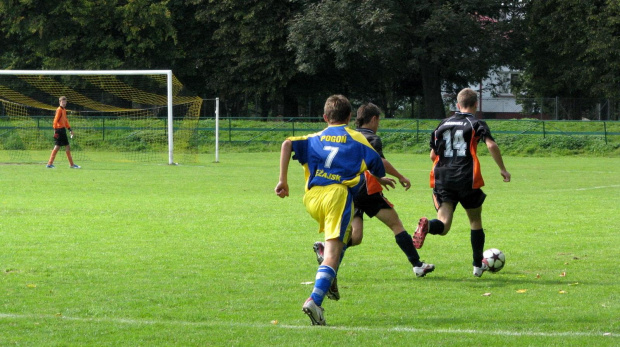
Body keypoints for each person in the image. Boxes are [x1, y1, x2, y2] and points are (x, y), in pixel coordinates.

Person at [275, 95, 395, 326]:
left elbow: (286, 144)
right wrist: (382, 177)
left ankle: (326, 259)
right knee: (334, 252)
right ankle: (315, 301)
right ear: (349, 117)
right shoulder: (357, 137)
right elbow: (375, 161)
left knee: (347, 237)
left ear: (324, 117)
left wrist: (283, 181)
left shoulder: (314, 137)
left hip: (312, 198)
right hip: (337, 196)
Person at [313, 102, 434, 279]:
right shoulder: (372, 138)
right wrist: (401, 177)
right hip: (366, 190)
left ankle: (326, 251)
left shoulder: (348, 135)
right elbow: (380, 162)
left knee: (356, 235)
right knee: (396, 224)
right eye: (379, 121)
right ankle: (418, 265)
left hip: (345, 190)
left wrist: (380, 178)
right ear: (374, 119)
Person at [413, 88, 510, 277]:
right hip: (467, 178)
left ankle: (428, 226)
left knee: (444, 225)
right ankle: (476, 266)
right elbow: (491, 145)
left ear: (457, 105)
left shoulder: (443, 124)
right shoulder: (476, 123)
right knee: (475, 220)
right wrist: (503, 169)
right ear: (476, 104)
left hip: (443, 178)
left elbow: (433, 154)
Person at [47, 96, 80, 169]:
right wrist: (55, 130)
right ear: (60, 102)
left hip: (62, 130)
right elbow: (55, 120)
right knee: (63, 146)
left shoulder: (64, 110)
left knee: (61, 146)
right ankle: (71, 164)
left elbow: (65, 121)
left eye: (65, 102)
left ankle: (50, 164)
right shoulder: (59, 110)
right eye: (63, 102)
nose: (64, 103)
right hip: (59, 130)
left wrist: (70, 129)